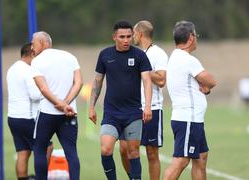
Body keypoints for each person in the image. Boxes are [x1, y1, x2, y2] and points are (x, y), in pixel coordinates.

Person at [88, 20, 153, 180]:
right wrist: (91, 107)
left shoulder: (139, 55)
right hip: (111, 113)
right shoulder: (105, 55)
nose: (126, 40)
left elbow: (147, 81)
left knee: (133, 152)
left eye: (129, 36)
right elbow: (97, 81)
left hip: (133, 113)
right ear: (114, 37)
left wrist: (148, 107)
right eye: (122, 37)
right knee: (106, 150)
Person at [163, 21, 216, 180]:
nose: (197, 39)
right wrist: (207, 86)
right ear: (191, 37)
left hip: (191, 119)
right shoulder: (188, 60)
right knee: (181, 161)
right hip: (188, 119)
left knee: (201, 157)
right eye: (196, 35)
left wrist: (204, 88)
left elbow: (197, 84)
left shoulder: (175, 56)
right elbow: (211, 81)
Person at [119, 20, 168, 180]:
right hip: (132, 109)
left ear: (140, 34)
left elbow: (161, 80)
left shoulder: (158, 53)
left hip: (152, 108)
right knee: (124, 149)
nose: (131, 36)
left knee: (151, 153)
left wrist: (143, 68)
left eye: (133, 33)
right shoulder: (135, 53)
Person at [31, 31, 83, 180]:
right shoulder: (70, 56)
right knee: (71, 152)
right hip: (69, 113)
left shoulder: (37, 61)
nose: (32, 48)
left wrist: (59, 104)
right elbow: (78, 82)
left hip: (47, 114)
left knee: (39, 150)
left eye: (33, 44)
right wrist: (66, 103)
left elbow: (43, 88)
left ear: (42, 42)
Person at [6, 43, 53, 180]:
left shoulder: (12, 68)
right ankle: (40, 177)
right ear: (32, 54)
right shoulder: (29, 70)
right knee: (48, 147)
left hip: (13, 117)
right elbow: (35, 94)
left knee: (23, 152)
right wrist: (49, 92)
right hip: (28, 118)